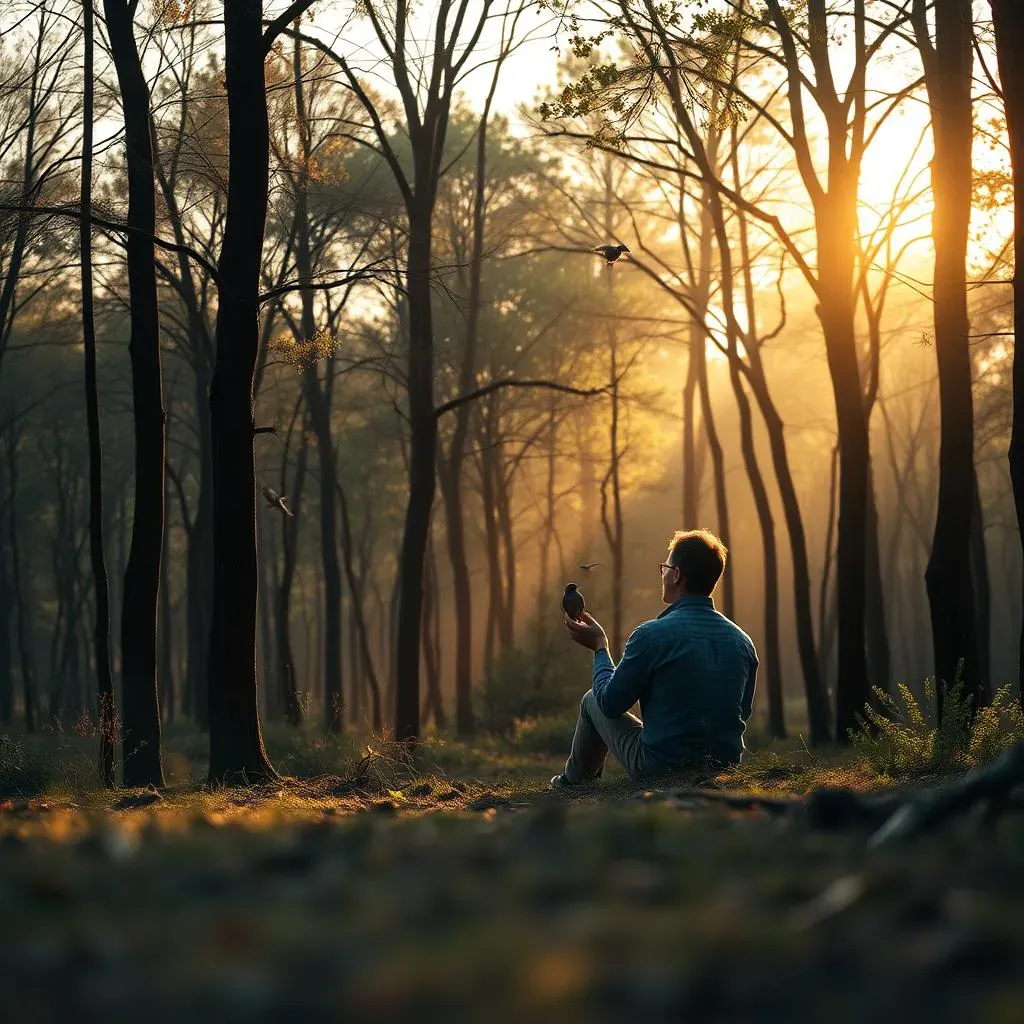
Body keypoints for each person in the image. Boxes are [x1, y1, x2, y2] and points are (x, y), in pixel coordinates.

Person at [552, 529, 758, 789]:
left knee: (592, 699)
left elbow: (610, 703)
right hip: (723, 766)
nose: (663, 573)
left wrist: (600, 647)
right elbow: (742, 711)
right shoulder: (743, 642)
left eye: (665, 567)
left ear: (677, 575)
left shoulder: (651, 635)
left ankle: (572, 784)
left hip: (660, 767)